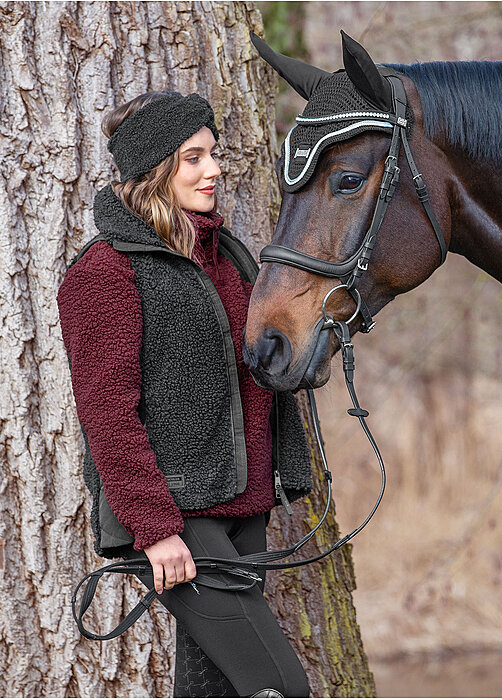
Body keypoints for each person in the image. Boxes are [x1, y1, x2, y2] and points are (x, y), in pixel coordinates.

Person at [56, 90, 313, 698]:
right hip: (175, 518)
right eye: (192, 158)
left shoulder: (227, 258)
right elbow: (106, 413)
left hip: (242, 505)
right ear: (154, 169)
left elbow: (255, 367)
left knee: (212, 689)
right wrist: (153, 528)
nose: (214, 170)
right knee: (278, 687)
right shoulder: (106, 270)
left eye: (214, 155)